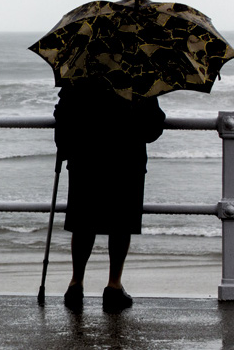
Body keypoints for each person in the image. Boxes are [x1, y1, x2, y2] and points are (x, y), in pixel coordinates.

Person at [53, 77, 165, 311]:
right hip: (126, 159)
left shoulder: (79, 77)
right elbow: (152, 129)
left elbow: (62, 115)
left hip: (85, 159)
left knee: (83, 222)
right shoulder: (138, 77)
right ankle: (114, 286)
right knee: (121, 224)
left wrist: (64, 147)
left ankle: (76, 283)